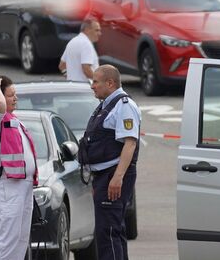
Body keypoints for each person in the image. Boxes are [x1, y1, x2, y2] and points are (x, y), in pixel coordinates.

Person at [80, 65, 140, 260]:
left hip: (112, 175)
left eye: (96, 81)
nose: (92, 86)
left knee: (108, 233)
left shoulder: (124, 106)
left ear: (110, 83)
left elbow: (130, 143)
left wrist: (117, 177)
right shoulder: (106, 105)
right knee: (113, 231)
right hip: (104, 176)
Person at [0, 75, 39, 260]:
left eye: (15, 94)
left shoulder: (13, 119)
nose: (15, 98)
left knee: (20, 239)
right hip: (7, 187)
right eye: (10, 94)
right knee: (6, 240)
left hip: (22, 186)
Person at [59, 18, 102, 82]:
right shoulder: (86, 44)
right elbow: (86, 69)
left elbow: (62, 65)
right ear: (87, 30)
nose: (100, 33)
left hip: (73, 86)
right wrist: (100, 81)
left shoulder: (72, 41)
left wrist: (69, 77)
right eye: (97, 30)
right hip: (86, 88)